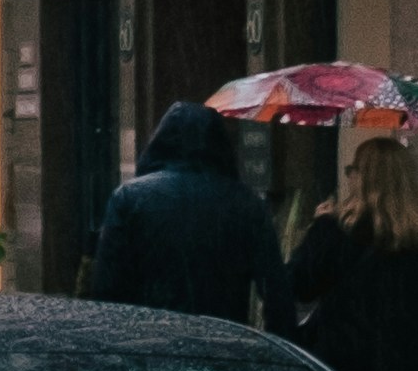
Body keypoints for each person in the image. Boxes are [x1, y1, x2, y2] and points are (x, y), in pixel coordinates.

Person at [287, 115, 418, 371]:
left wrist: (317, 229)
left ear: (361, 178)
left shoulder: (336, 232)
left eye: (352, 171)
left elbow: (298, 286)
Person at [86, 93, 291, 326]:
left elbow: (107, 288)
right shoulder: (246, 203)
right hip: (223, 341)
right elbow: (276, 291)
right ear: (219, 144)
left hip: (150, 341)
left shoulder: (129, 199)